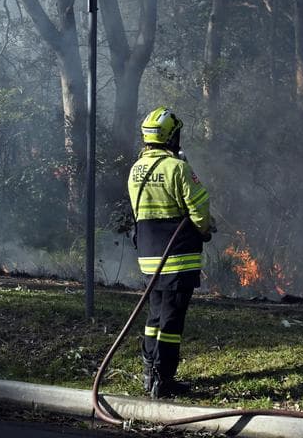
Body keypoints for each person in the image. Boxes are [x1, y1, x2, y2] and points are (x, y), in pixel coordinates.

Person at [127, 106, 214, 398]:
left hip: (150, 258)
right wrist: (205, 229)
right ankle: (164, 379)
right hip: (178, 258)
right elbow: (199, 208)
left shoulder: (136, 169)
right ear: (171, 136)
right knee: (172, 320)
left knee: (155, 316)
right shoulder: (178, 168)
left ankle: (148, 372)